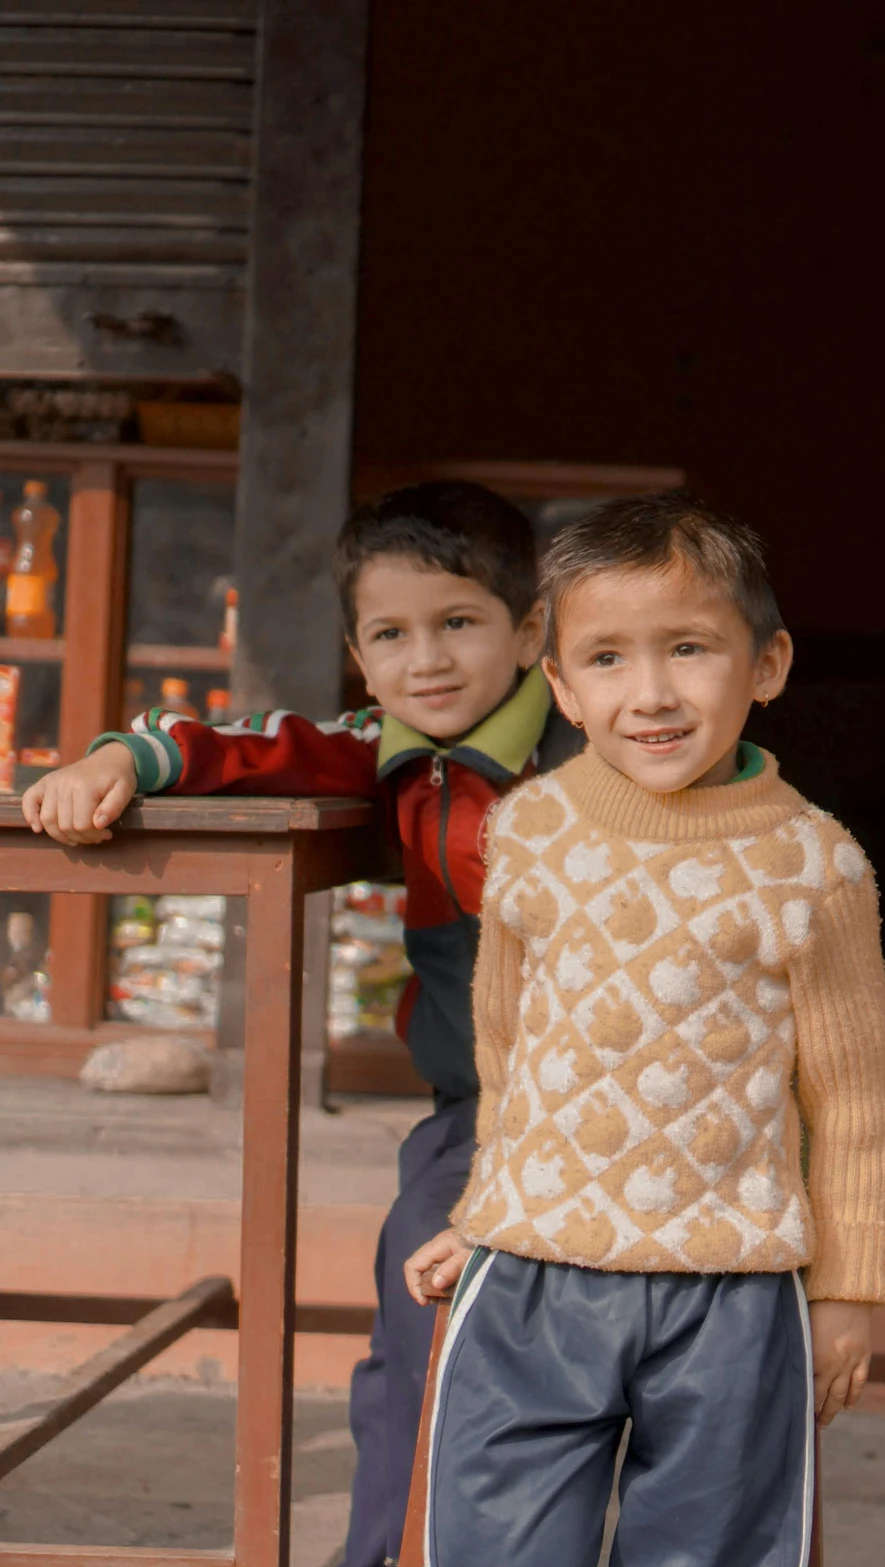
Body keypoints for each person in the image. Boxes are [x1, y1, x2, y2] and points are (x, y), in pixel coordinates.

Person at [20, 482, 573, 1567]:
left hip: (620, 1109)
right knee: (411, 1334)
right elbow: (241, 744)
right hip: (479, 1116)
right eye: (391, 633)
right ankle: (384, 1554)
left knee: (585, 1351)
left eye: (459, 622)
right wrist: (117, 761)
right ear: (358, 653)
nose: (428, 659)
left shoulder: (591, 756)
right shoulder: (383, 747)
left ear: (530, 629)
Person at [402, 494, 885, 1567]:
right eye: (609, 660)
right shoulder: (528, 829)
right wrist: (488, 1204)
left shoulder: (814, 863)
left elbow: (853, 1096)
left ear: (765, 664)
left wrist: (851, 1287)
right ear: (563, 687)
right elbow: (508, 1045)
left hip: (731, 1292)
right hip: (531, 1275)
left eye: (688, 648)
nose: (653, 693)